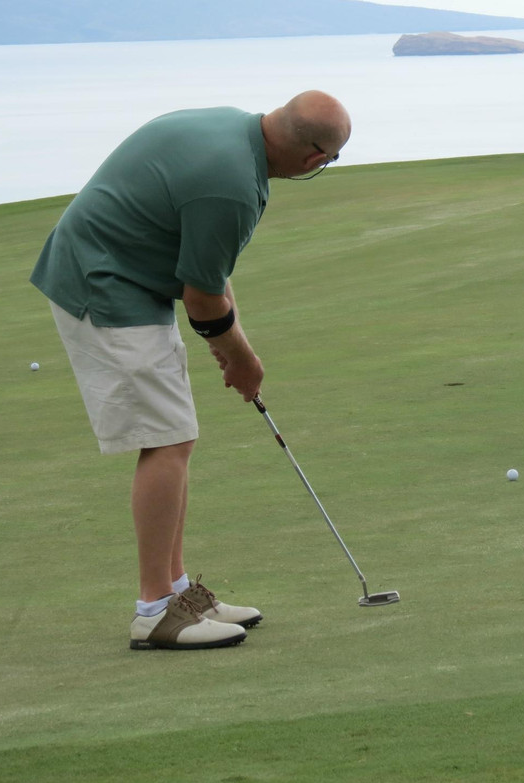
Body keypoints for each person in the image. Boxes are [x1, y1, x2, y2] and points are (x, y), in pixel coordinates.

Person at [31, 90, 352, 650]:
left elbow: (208, 272)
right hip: (104, 283)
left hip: (121, 273)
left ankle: (177, 591)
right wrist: (244, 359)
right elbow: (203, 298)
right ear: (312, 160)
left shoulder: (230, 129)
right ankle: (155, 610)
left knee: (176, 437)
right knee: (166, 439)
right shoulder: (232, 185)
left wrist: (233, 349)